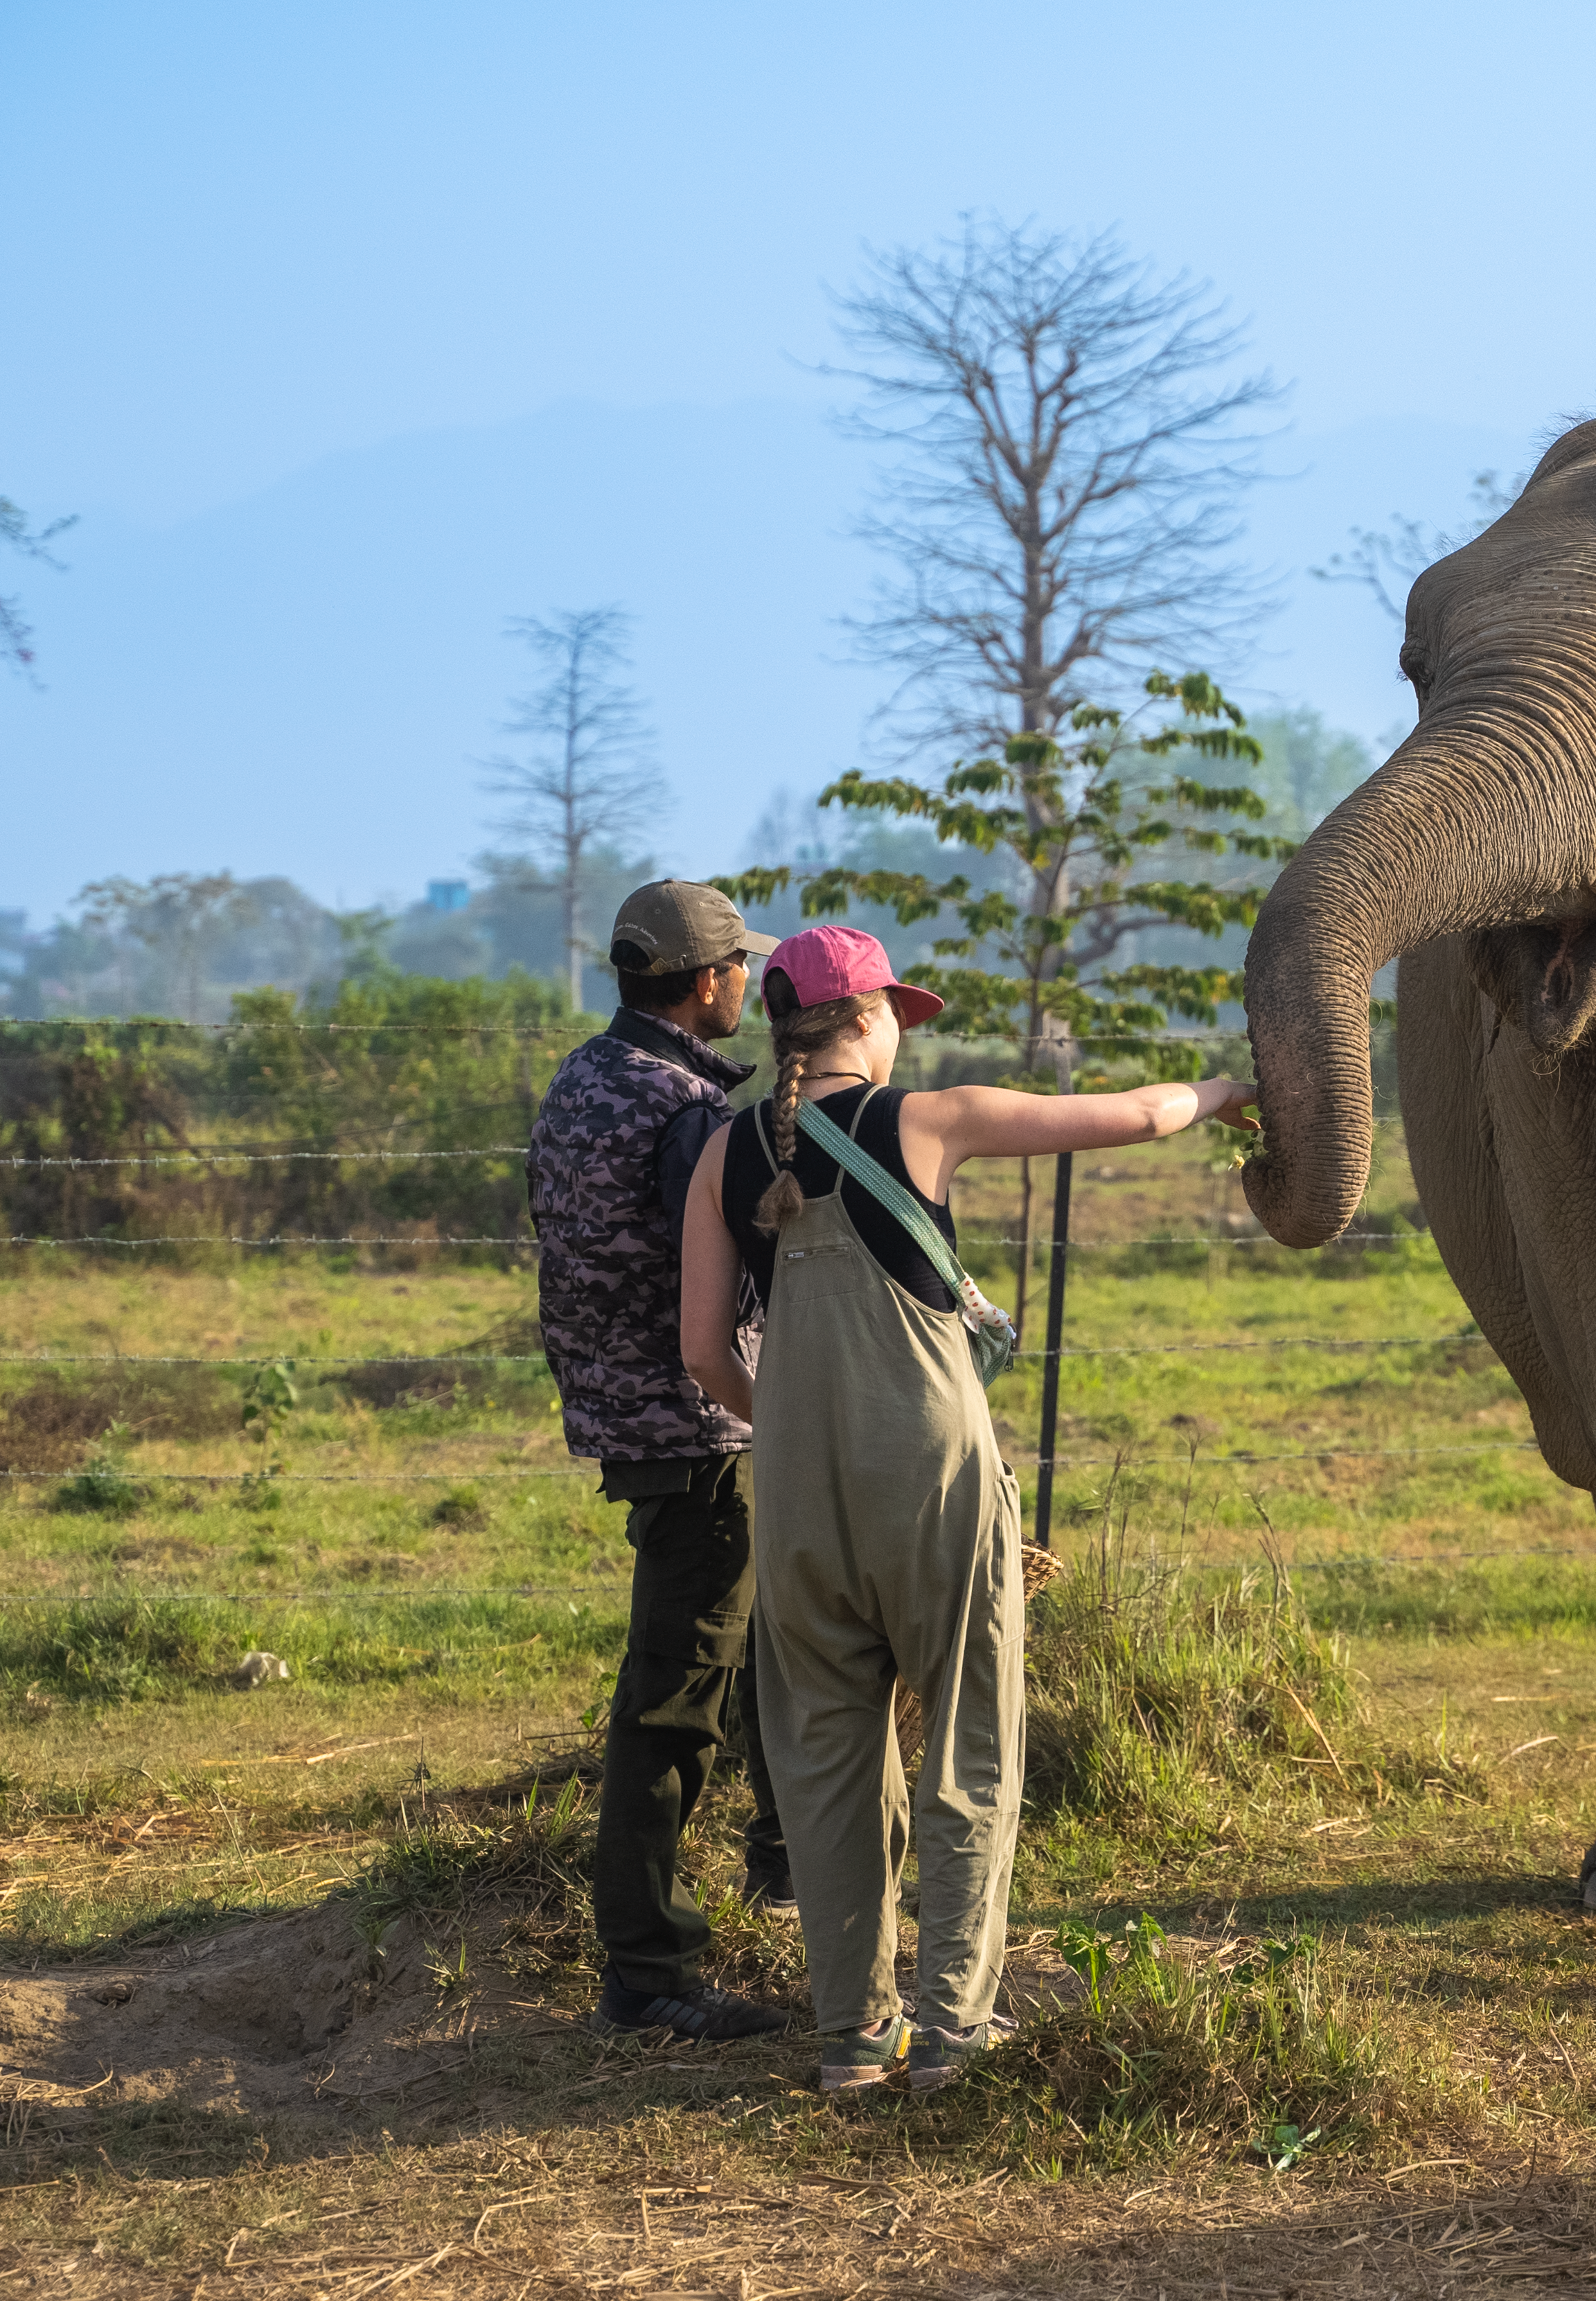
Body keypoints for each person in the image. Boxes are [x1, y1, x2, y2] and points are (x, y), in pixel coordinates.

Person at [680, 927, 1259, 2097]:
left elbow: (703, 1355)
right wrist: (1229, 1090)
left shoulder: (722, 1156)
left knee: (826, 1762)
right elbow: (1141, 1117)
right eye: (897, 1011)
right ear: (865, 1017)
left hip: (795, 1490)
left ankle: (851, 2042)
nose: (904, 1031)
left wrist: (793, 1424)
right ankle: (952, 2032)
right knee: (967, 1742)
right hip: (932, 1477)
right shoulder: (929, 1121)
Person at [526, 877, 797, 2043]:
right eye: (740, 968)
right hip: (705, 1427)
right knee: (676, 1699)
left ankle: (785, 1865)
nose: (749, 982)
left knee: (766, 1641)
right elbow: (744, 1280)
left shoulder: (586, 1080)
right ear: (706, 985)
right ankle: (647, 1969)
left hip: (631, 1421)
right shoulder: (689, 1116)